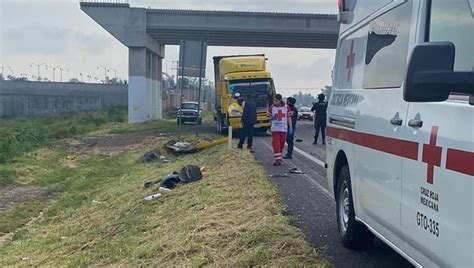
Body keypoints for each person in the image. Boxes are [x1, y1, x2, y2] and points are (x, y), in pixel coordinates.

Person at [268, 94, 293, 166]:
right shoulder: (272, 107)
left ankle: (279, 157)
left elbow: (289, 118)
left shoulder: (286, 107)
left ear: (280, 100)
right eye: (274, 100)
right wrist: (272, 119)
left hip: (283, 129)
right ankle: (277, 160)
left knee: (281, 144)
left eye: (276, 100)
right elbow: (269, 118)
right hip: (275, 129)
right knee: (276, 144)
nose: (275, 102)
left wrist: (290, 127)